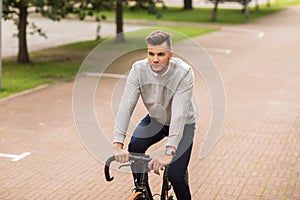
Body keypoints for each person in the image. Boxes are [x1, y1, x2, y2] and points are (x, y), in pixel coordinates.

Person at [113, 30, 197, 200]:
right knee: (135, 147)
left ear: (170, 55)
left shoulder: (184, 72)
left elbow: (179, 115)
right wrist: (118, 143)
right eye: (151, 54)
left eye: (161, 54)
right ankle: (143, 192)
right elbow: (126, 105)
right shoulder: (138, 69)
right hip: (156, 119)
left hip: (183, 124)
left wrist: (169, 152)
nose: (155, 59)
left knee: (176, 176)